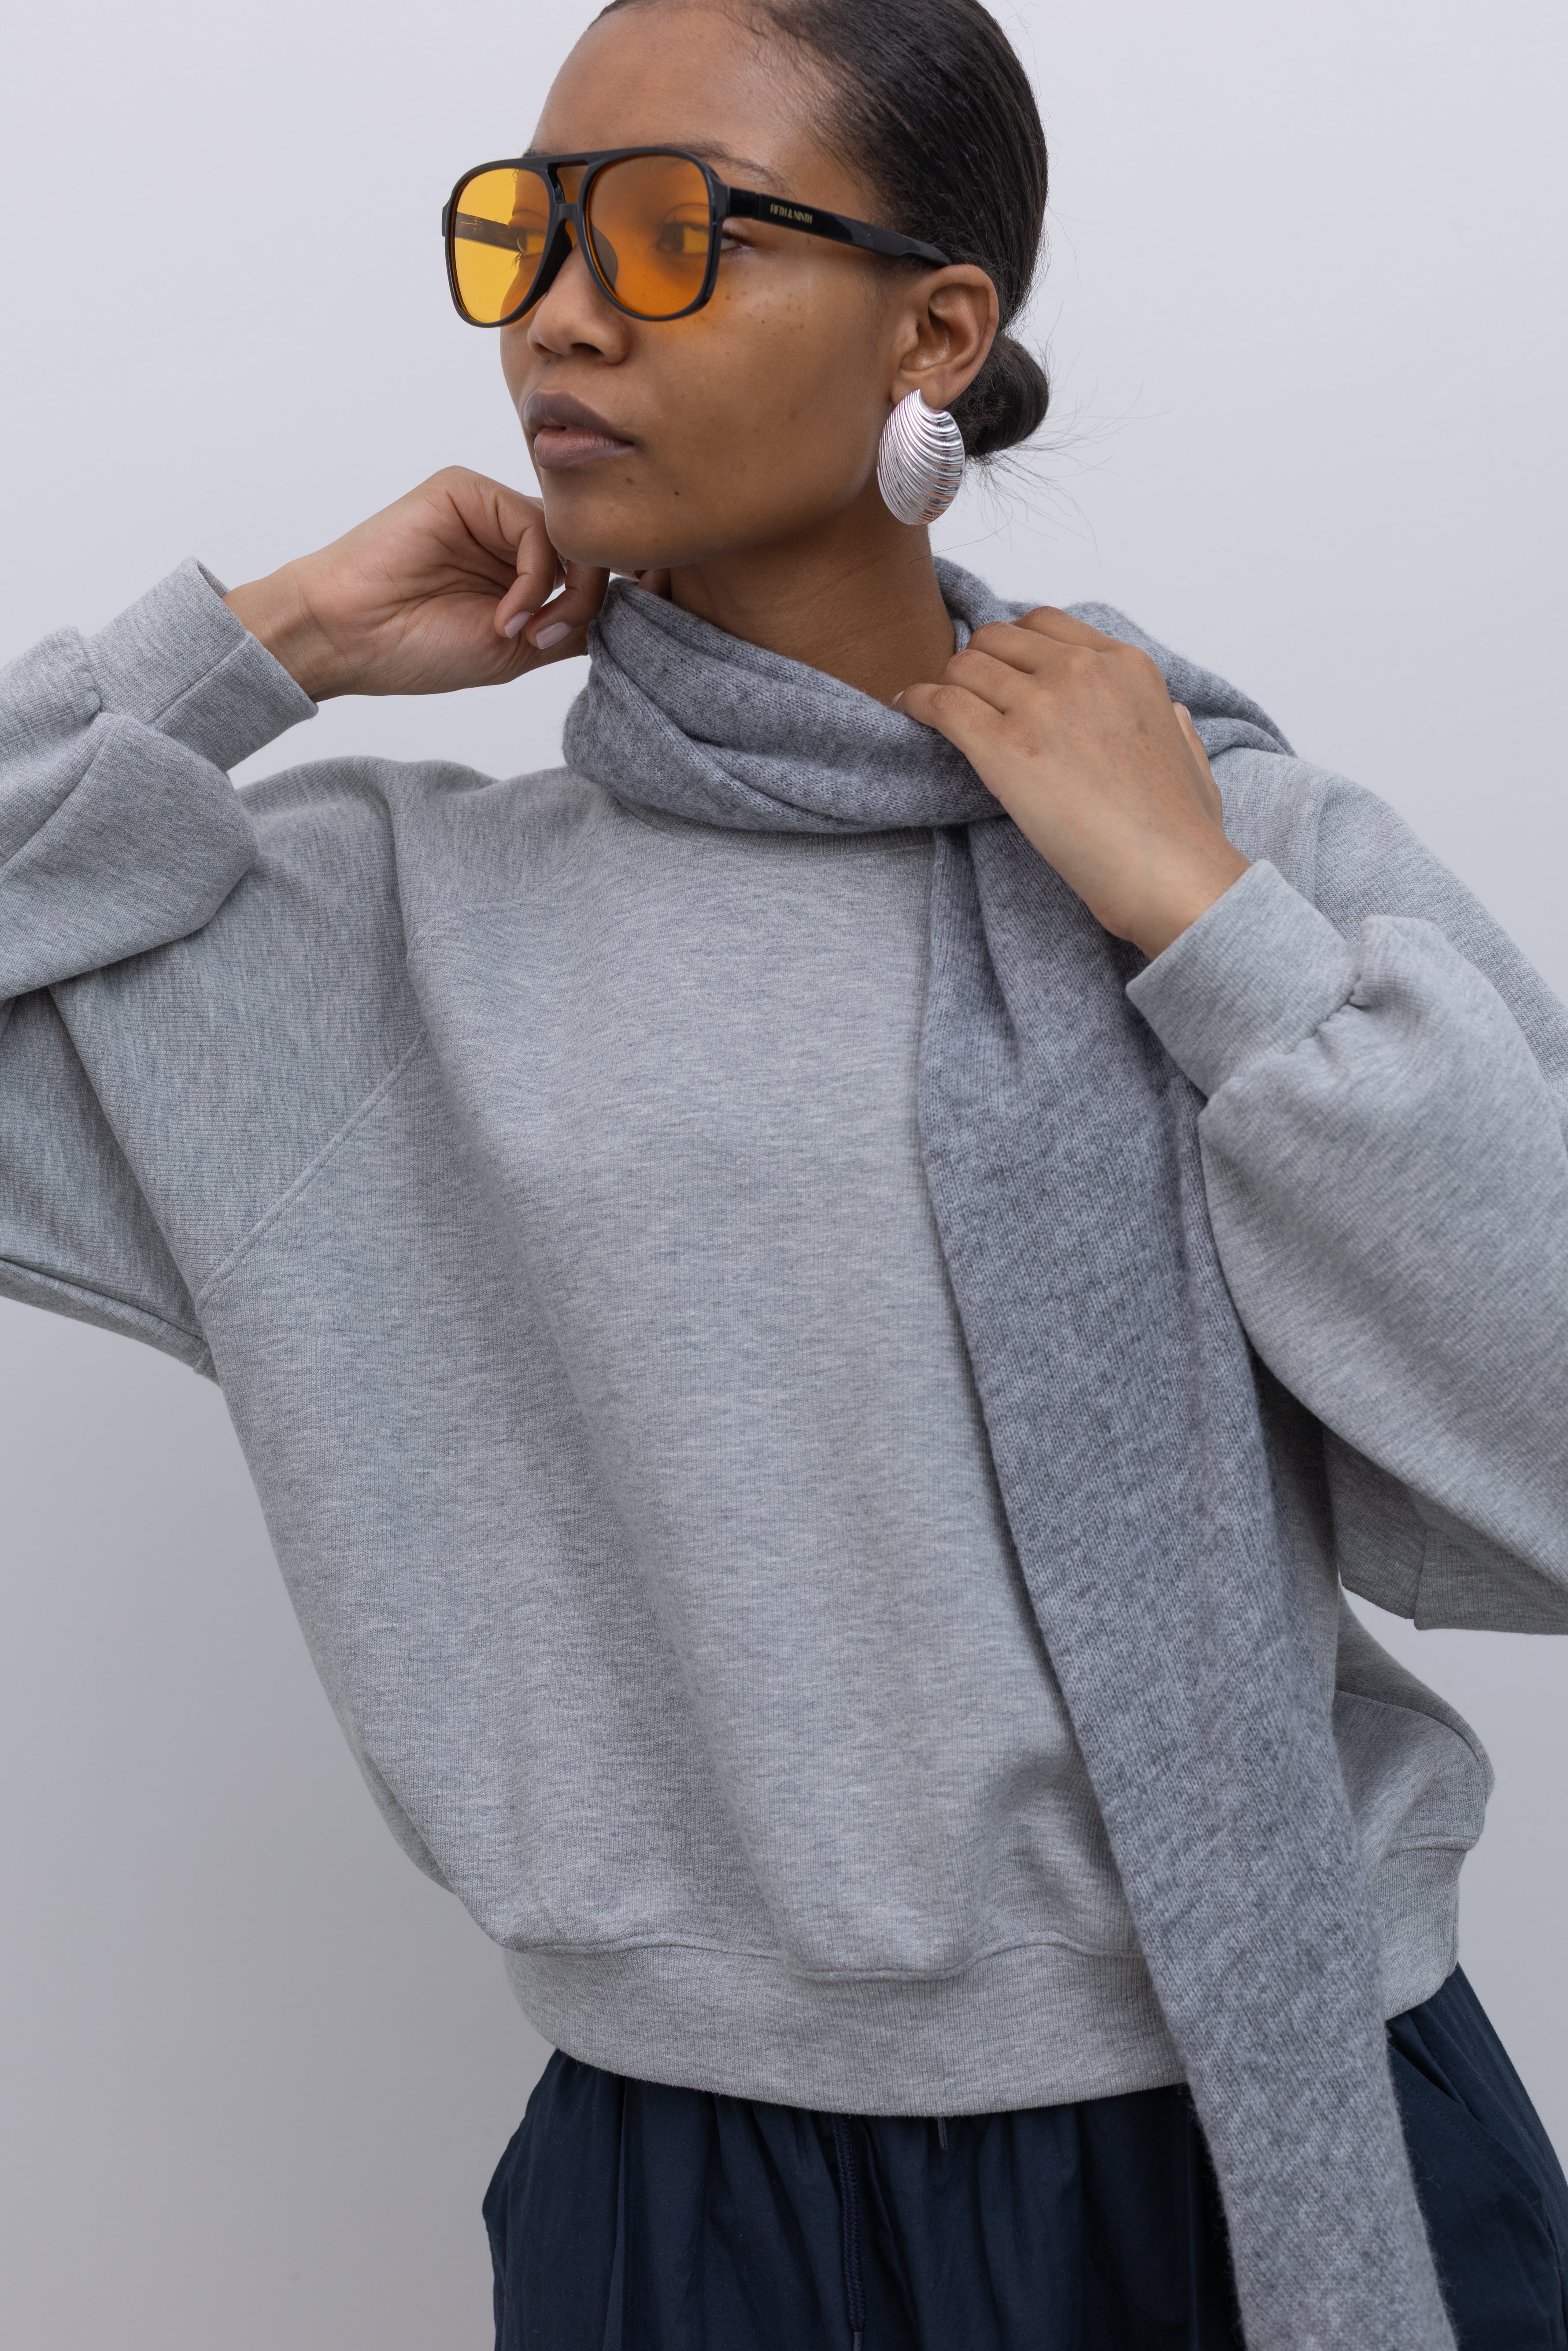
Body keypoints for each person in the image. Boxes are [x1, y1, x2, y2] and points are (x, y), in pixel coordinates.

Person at [3, 0, 1565, 2343]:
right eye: (527, 230)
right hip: (706, 2211)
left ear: (935, 327)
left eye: (667, 231)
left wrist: (1207, 939)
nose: (560, 301)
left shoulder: (1240, 860)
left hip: (1295, 2134)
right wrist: (263, 646)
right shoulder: (366, 946)